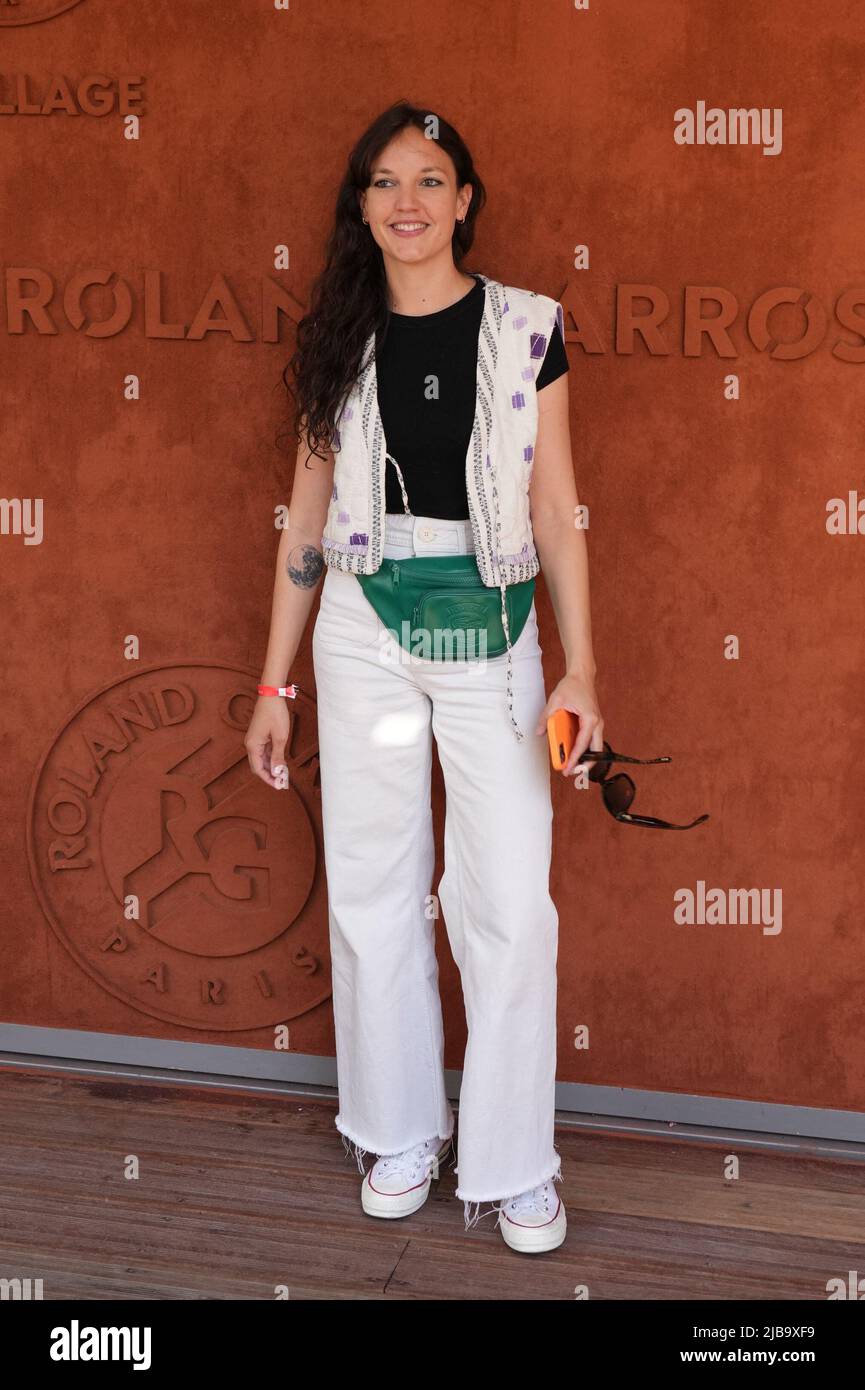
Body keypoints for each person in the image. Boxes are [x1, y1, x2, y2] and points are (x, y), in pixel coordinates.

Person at [245, 100, 603, 1256]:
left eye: (430, 179)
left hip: (489, 619)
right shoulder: (337, 335)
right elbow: (305, 516)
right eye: (385, 182)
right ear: (363, 206)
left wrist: (582, 671)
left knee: (507, 893)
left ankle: (512, 1163)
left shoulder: (527, 327)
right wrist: (273, 681)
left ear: (463, 200)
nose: (408, 201)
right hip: (359, 614)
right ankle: (398, 1128)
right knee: (371, 877)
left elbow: (555, 507)